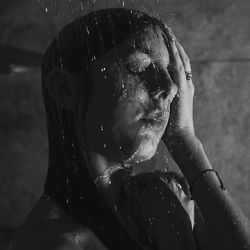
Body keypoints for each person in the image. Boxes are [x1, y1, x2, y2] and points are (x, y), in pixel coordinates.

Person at [9, 8, 250, 250]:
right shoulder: (48, 242)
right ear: (64, 88)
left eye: (171, 73)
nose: (171, 88)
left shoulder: (167, 196)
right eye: (139, 66)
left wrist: (185, 140)